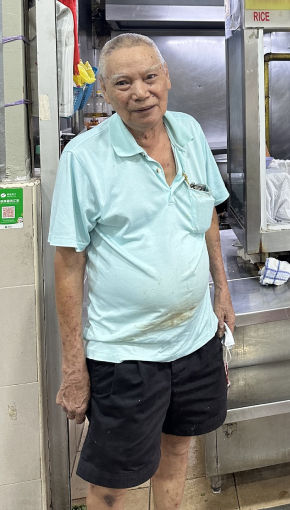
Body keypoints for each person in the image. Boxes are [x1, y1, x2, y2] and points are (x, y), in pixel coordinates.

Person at [49, 33, 234, 510]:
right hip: (125, 354)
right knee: (112, 485)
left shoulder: (190, 132)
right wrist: (74, 367)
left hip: (194, 339)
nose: (140, 92)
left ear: (167, 78)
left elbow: (208, 214)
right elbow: (68, 265)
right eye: (123, 83)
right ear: (105, 94)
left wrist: (222, 290)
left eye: (150, 77)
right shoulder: (84, 158)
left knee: (177, 451)